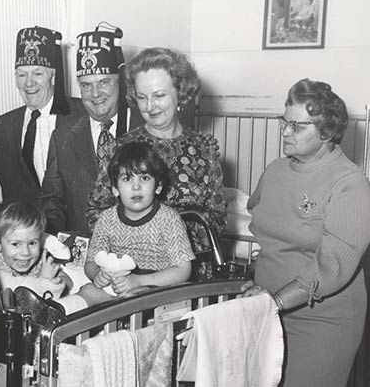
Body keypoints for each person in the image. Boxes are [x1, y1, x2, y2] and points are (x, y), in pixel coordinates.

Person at [241, 78, 370, 387]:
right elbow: (262, 226)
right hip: (265, 308)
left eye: (297, 127)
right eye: (284, 123)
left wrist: (276, 299)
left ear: (326, 132)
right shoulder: (275, 171)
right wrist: (259, 277)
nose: (285, 132)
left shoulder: (350, 183)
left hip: (321, 319)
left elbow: (333, 265)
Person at [86, 47, 226, 251]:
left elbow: (217, 219)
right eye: (142, 97)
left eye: (159, 95)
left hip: (192, 267)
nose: (150, 106)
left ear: (180, 92)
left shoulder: (205, 149)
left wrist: (180, 249)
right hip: (133, 267)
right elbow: (96, 213)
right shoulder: (118, 149)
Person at [40, 24, 143, 235]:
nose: (95, 93)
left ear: (120, 83)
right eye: (86, 85)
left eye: (103, 82)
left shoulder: (144, 129)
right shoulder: (63, 136)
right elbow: (52, 203)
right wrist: (50, 241)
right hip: (83, 256)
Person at [0, 26, 86, 203]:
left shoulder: (83, 115)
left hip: (74, 228)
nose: (29, 83)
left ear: (54, 76)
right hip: (23, 228)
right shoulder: (1, 128)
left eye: (38, 73)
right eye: (22, 75)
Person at [83, 141, 194, 298]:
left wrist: (139, 281)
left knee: (131, 297)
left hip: (157, 288)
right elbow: (91, 262)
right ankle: (57, 314)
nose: (136, 187)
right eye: (127, 179)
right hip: (117, 285)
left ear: (158, 186)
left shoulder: (169, 220)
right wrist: (97, 274)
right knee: (87, 291)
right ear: (115, 188)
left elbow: (183, 270)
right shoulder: (107, 218)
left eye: (145, 178)